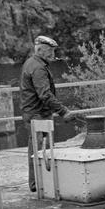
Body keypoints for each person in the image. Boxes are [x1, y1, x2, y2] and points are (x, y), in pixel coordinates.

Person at [21, 35, 77, 192]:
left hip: (34, 113)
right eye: (50, 51)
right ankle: (38, 184)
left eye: (53, 50)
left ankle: (38, 183)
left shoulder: (33, 63)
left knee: (38, 148)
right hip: (37, 114)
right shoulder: (38, 68)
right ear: (39, 50)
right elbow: (45, 94)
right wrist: (63, 111)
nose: (53, 54)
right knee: (39, 149)